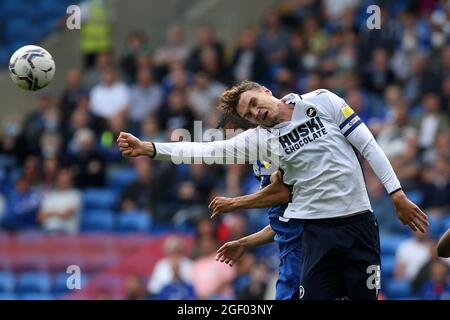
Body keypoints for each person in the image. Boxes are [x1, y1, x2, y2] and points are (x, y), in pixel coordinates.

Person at [117, 80, 429, 299]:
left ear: (266, 91)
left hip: (360, 223)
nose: (255, 112)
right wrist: (150, 148)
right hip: (317, 233)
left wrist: (396, 193)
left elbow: (368, 144)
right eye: (248, 114)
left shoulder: (322, 100)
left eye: (254, 103)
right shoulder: (259, 141)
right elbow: (204, 150)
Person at [212, 169, 303, 300]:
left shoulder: (274, 156)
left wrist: (233, 203)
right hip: (290, 256)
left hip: (302, 253)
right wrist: (242, 243)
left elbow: (281, 192)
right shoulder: (260, 161)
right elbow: (280, 226)